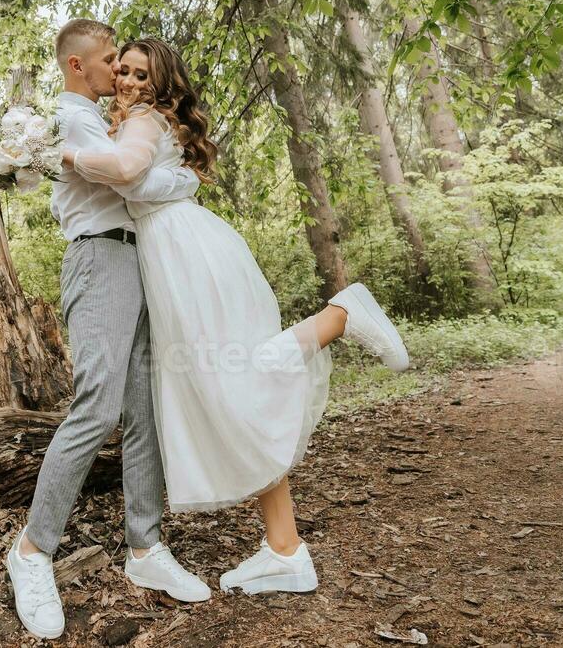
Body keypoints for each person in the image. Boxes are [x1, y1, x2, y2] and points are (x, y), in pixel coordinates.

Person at [61, 36, 409, 596]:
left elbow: (126, 172)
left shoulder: (144, 120)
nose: (126, 81)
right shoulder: (144, 121)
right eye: (121, 70)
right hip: (180, 252)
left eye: (140, 74)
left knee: (233, 377)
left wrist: (60, 153)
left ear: (162, 84)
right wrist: (177, 178)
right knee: (232, 390)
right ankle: (285, 548)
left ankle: (340, 316)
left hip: (185, 256)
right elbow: (149, 177)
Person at [6, 20, 212, 641]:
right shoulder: (72, 122)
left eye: (125, 66)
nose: (116, 73)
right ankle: (33, 552)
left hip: (139, 256)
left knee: (143, 408)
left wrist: (181, 178)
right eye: (107, 63)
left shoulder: (103, 119)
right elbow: (126, 175)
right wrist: (183, 178)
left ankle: (145, 549)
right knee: (96, 407)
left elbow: (142, 178)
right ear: (77, 66)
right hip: (99, 257)